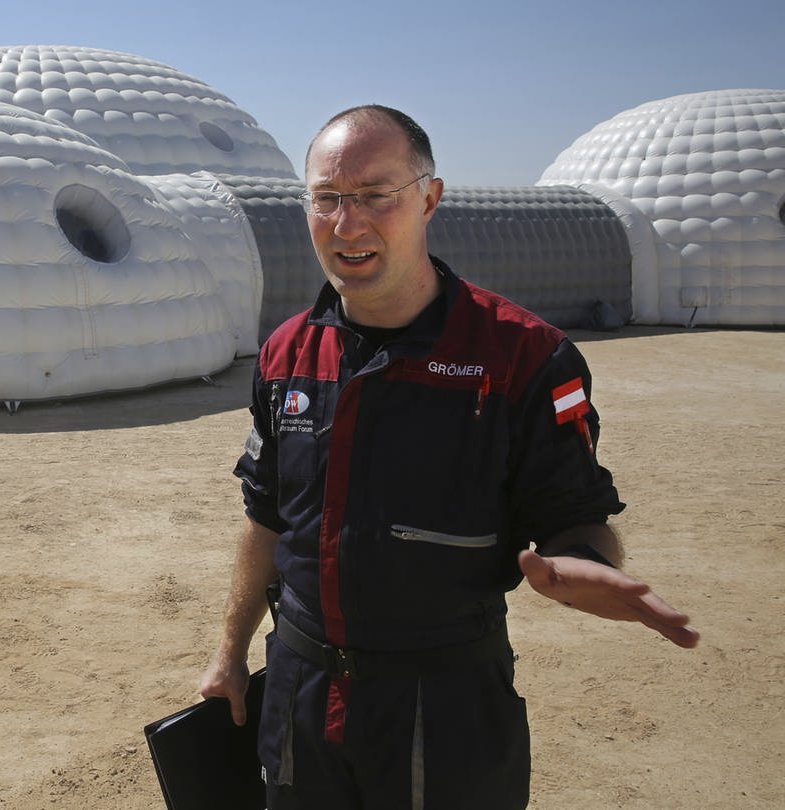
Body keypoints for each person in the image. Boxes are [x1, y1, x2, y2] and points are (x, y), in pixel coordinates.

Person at [198, 105, 700, 809]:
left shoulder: (524, 358)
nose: (348, 224)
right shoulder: (286, 353)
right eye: (328, 198)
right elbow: (266, 516)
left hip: (445, 706)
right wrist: (230, 654)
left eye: (377, 195)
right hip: (299, 694)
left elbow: (575, 517)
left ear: (430, 198)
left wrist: (589, 564)